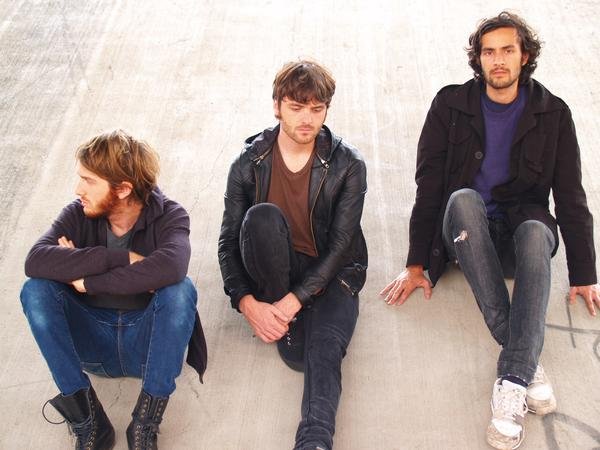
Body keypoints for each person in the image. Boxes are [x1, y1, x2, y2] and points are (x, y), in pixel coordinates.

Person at [380, 11, 599, 450]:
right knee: (462, 198)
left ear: (525, 56)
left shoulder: (553, 113)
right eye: (488, 52)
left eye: (507, 50)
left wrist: (584, 273)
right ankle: (524, 366)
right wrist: (417, 262)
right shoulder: (450, 105)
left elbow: (570, 195)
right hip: (465, 236)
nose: (497, 60)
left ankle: (513, 375)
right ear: (478, 59)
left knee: (537, 229)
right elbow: (429, 185)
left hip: (518, 241)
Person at [21, 130, 207, 450]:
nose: (78, 189)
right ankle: (89, 423)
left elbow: (171, 268)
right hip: (92, 344)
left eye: (88, 181)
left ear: (122, 189)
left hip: (147, 347)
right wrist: (121, 259)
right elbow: (36, 261)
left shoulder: (170, 216)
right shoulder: (77, 213)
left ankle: (144, 425)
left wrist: (86, 279)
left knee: (180, 290)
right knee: (35, 290)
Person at [218, 59, 367, 450]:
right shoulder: (248, 163)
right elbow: (228, 242)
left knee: (321, 351)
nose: (307, 119)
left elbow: (341, 246)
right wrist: (248, 303)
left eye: (317, 109)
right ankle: (280, 314)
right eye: (296, 107)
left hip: (332, 270)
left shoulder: (348, 165)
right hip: (274, 264)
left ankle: (314, 440)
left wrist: (293, 302)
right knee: (261, 218)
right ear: (277, 106)